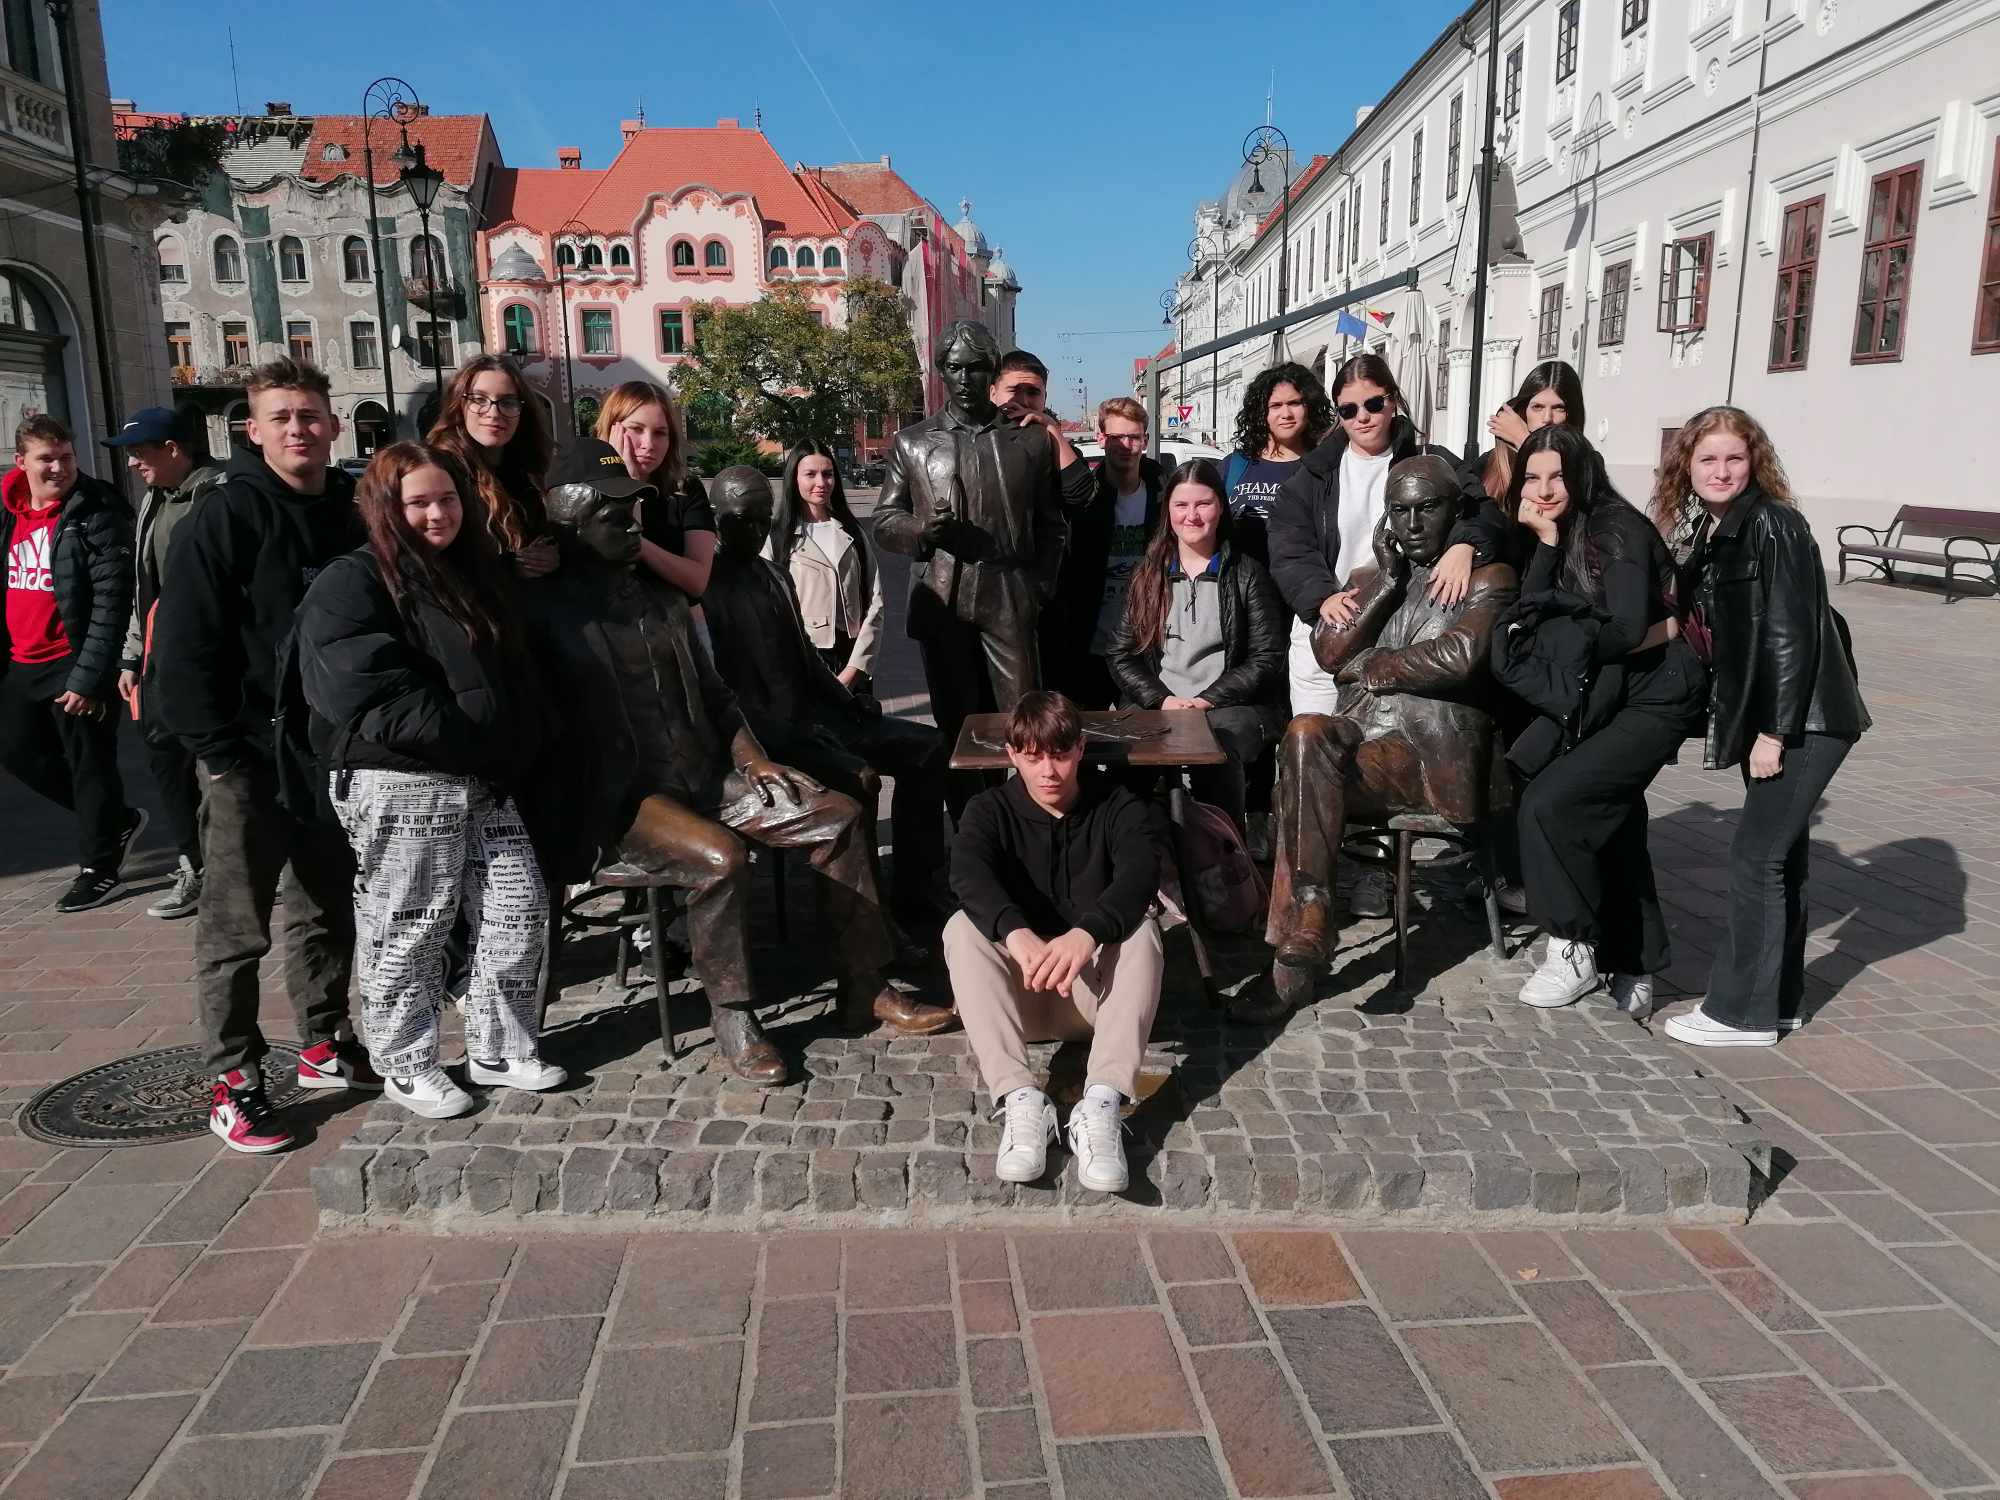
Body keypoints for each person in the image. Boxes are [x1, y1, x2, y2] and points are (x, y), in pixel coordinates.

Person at [529, 440, 953, 1087]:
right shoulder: (542, 614)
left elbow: (718, 695)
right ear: (570, 522)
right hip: (626, 801)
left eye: (632, 512)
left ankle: (864, 985)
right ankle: (733, 1014)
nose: (632, 526)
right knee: (721, 857)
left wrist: (754, 761)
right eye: (614, 517)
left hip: (706, 775)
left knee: (838, 816)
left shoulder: (662, 600)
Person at [297, 442, 564, 1118]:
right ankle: (405, 1062)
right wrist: (471, 741)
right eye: (418, 502)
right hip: (400, 778)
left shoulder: (471, 572)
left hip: (483, 773)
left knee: (519, 904)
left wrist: (516, 740)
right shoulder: (352, 582)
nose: (437, 513)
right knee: (409, 922)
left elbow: (512, 672)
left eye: (446, 499)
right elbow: (368, 688)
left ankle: (498, 1047)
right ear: (386, 508)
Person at [156, 357, 378, 1154]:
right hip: (246, 756)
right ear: (253, 430)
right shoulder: (225, 516)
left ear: (334, 424)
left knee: (326, 904)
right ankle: (235, 1080)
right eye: (281, 417)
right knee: (236, 926)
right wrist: (217, 753)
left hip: (325, 752)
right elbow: (183, 645)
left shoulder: (349, 512)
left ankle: (323, 1039)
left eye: (310, 415)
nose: (298, 429)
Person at [1259, 456, 1516, 1017]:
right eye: (1400, 511)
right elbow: (1330, 653)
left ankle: (1286, 975)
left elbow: (1459, 655)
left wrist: (1376, 666)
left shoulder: (1488, 577)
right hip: (1364, 740)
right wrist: (1387, 583)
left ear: (1454, 511)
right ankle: (1312, 913)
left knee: (1299, 786)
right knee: (1303, 736)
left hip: (1427, 756)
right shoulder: (1371, 578)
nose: (1413, 523)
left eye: (1427, 508)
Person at [1651, 407, 1869, 1048]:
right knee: (1784, 858)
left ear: (1755, 463)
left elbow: (1790, 633)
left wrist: (1773, 732)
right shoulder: (1718, 527)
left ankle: (1740, 1014)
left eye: (1734, 458)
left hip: (1802, 719)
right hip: (1787, 714)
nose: (1721, 471)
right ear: (1687, 466)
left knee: (1756, 859)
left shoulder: (1773, 523)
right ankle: (1780, 1002)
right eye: (1708, 459)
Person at [1493, 427, 1707, 1014]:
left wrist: (1561, 639)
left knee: (1552, 803)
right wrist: (1545, 544)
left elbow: (1625, 629)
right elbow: (1533, 608)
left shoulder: (1613, 529)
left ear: (1583, 473)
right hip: (1612, 689)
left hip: (1659, 693)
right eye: (1532, 478)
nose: (1544, 490)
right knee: (1615, 819)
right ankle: (1635, 962)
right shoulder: (1566, 529)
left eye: (1557, 476)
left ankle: (1572, 945)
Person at [703, 465, 953, 930]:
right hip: (761, 739)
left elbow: (806, 657)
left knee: (928, 747)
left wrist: (847, 701)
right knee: (859, 778)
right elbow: (718, 695)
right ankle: (867, 925)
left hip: (812, 718)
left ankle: (916, 891)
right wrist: (796, 735)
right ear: (715, 517)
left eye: (762, 518)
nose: (754, 530)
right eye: (741, 519)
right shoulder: (704, 588)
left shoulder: (775, 576)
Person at [945, 692, 1162, 1193]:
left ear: (1080, 749)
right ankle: (1020, 1100)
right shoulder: (987, 810)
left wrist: (1087, 934)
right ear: (1011, 754)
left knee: (1143, 929)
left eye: (1060, 755)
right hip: (1015, 1001)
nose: (1048, 771)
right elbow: (967, 875)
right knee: (961, 927)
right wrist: (1014, 931)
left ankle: (1102, 1102)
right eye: (1033, 757)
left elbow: (1139, 876)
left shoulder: (1119, 806)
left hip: (1094, 999)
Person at [1266, 353, 1454, 914]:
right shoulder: (1314, 474)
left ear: (1392, 401)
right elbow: (1289, 546)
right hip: (1330, 632)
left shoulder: (1428, 459)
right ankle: (1317, 889)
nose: (1363, 417)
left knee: (1375, 758)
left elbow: (1475, 511)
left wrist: (1468, 545)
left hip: (1399, 637)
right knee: (1313, 753)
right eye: (1348, 409)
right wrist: (1319, 596)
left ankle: (1373, 871)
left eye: (1373, 403)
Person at [872, 321, 1066, 811]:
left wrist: (1039, 587)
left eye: (976, 367)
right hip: (944, 594)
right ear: (941, 371)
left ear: (993, 371)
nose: (964, 378)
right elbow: (885, 520)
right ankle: (969, 829)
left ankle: (1025, 821)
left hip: (1010, 590)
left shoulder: (1029, 441)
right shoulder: (913, 442)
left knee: (1025, 720)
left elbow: (1052, 525)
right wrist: (922, 530)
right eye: (954, 368)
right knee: (957, 726)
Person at [1, 415, 145, 912]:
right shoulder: (8, 509)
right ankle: (115, 819)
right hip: (21, 661)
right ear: (22, 462)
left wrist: (89, 677)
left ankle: (100, 869)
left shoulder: (95, 509)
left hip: (74, 659)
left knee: (91, 767)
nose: (59, 468)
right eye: (47, 459)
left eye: (66, 457)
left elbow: (111, 600)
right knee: (18, 752)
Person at [1106, 458, 1285, 833]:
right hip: (1158, 703)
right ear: (1168, 511)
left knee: (1216, 750)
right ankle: (1134, 848)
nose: (1192, 516)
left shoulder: (1247, 574)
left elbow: (1266, 657)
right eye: (1181, 505)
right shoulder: (1148, 575)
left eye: (1203, 503)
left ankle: (1223, 850)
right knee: (1125, 763)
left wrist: (1206, 700)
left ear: (1220, 506)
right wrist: (1162, 700)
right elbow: (1121, 654)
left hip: (1226, 704)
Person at [111, 405, 223, 919]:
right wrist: (132, 656)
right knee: (166, 765)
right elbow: (144, 587)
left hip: (210, 664)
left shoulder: (217, 495)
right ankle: (192, 866)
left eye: (140, 452)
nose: (133, 463)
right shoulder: (152, 501)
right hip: (158, 664)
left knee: (222, 775)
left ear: (173, 449)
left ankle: (242, 871)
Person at [1040, 397, 1166, 708]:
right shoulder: (1085, 498)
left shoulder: (1164, 495)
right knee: (1084, 731)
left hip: (1142, 649)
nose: (1125, 445)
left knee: (1142, 734)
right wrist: (1052, 429)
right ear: (1100, 438)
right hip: (1087, 645)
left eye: (1133, 437)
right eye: (1116, 437)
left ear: (1145, 440)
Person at [427, 354, 558, 581]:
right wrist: (510, 568)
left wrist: (552, 556)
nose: (494, 413)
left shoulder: (529, 469)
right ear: (459, 404)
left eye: (507, 402)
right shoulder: (440, 470)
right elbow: (433, 558)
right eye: (479, 399)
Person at [767, 441, 884, 692]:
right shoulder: (777, 539)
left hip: (850, 658)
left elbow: (875, 601)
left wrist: (855, 668)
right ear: (794, 479)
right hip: (801, 663)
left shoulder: (852, 532)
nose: (821, 482)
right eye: (810, 474)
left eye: (828, 474)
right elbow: (767, 608)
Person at [596, 380, 714, 604]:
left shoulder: (685, 489)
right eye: (636, 429)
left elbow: (697, 581)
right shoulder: (587, 490)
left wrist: (638, 543)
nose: (648, 444)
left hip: (677, 618)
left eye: (660, 433)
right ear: (612, 429)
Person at [1220, 362, 1333, 570]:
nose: (1286, 413)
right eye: (1276, 405)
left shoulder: (1323, 467)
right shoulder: (1234, 466)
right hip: (1240, 585)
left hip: (1301, 585)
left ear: (1309, 407)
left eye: (1295, 403)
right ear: (1261, 412)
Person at [991, 349, 1096, 511]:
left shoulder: (1054, 447)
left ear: (1045, 397)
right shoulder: (975, 442)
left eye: (1033, 392)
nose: (1024, 401)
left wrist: (1051, 427)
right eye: (1014, 390)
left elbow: (1082, 496)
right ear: (993, 393)